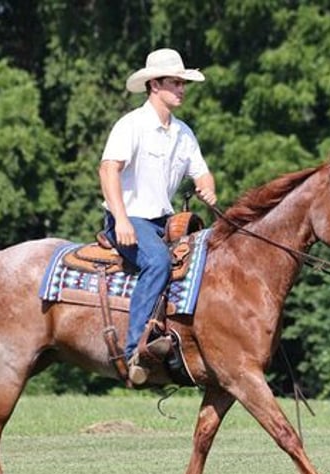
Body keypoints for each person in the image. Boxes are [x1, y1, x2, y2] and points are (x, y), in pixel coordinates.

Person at [98, 48, 217, 384]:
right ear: (154, 85)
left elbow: (203, 174)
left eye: (183, 83)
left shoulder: (183, 132)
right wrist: (120, 220)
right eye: (175, 83)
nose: (182, 89)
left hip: (164, 223)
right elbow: (108, 170)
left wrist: (208, 189)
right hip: (131, 218)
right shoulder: (132, 125)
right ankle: (135, 349)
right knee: (159, 263)